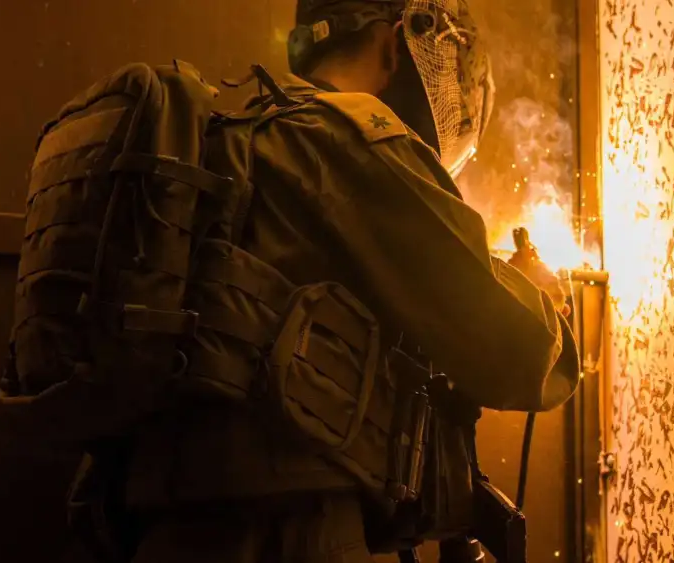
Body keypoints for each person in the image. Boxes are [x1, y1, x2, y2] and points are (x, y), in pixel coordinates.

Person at [122, 1, 580, 561]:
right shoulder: (352, 141)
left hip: (160, 526)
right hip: (284, 530)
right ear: (395, 44)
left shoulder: (235, 133)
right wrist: (537, 293)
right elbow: (517, 349)